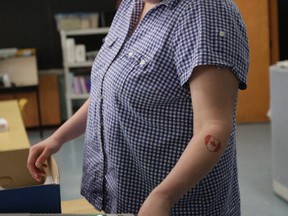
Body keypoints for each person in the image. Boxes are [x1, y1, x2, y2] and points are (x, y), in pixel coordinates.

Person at [27, 0, 249, 215]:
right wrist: (58, 138)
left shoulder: (206, 11)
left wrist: (163, 196)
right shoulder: (132, 5)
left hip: (176, 203)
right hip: (124, 196)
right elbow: (107, 92)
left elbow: (214, 125)